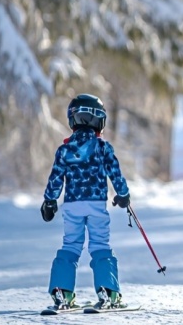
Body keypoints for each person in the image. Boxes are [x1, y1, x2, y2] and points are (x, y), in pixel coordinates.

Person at [42, 94, 131, 312]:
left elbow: (56, 177)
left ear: (72, 119)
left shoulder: (65, 150)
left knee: (70, 245)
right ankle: (108, 292)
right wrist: (123, 194)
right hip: (96, 205)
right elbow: (115, 172)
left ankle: (62, 293)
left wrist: (50, 200)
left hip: (72, 205)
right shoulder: (103, 147)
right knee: (99, 245)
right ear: (99, 120)